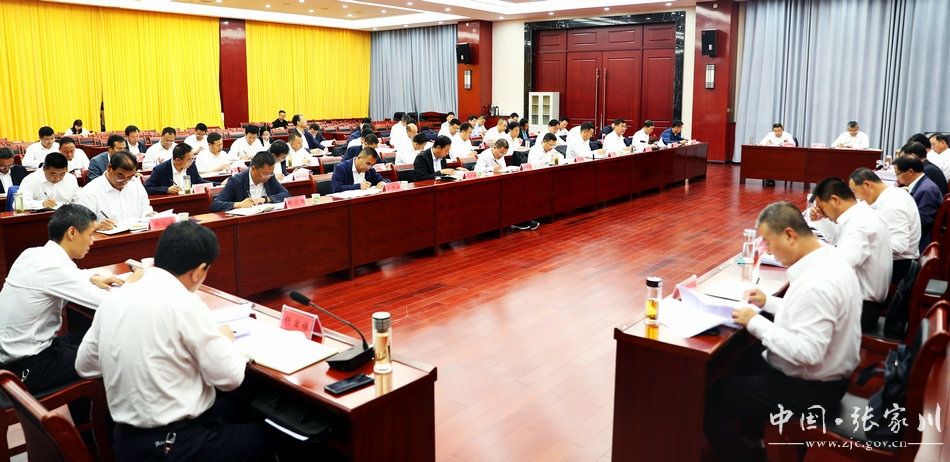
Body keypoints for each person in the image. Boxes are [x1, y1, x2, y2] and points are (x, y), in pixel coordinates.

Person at [75, 221, 273, 462]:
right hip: (173, 446)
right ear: (199, 271)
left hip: (126, 441)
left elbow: (85, 366)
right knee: (266, 437)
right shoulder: (184, 303)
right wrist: (226, 341)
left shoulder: (115, 298)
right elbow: (230, 378)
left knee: (233, 408)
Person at [704, 201, 860, 462]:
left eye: (768, 242)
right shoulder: (830, 259)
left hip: (810, 389)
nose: (767, 250)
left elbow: (807, 352)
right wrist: (767, 302)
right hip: (825, 376)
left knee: (713, 399)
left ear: (789, 235)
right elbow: (805, 312)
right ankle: (754, 439)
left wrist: (755, 321)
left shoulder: (818, 283)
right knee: (742, 359)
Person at [0, 205, 136, 395]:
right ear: (72, 232)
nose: (92, 241)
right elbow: (114, 303)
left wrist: (92, 277)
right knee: (117, 351)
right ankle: (104, 413)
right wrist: (135, 281)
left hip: (12, 356)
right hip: (26, 367)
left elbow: (68, 275)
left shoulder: (32, 254)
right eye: (90, 234)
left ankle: (84, 412)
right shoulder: (54, 268)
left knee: (94, 340)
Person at [808, 177, 892, 331]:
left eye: (821, 207)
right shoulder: (861, 214)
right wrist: (820, 220)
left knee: (799, 310)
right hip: (864, 302)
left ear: (835, 200)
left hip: (862, 310)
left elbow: (839, 267)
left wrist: (809, 245)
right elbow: (837, 239)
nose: (822, 213)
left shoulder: (859, 225)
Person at [849, 168, 921, 284]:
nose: (858, 198)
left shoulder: (892, 204)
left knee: (843, 273)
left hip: (898, 266)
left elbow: (900, 245)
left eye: (855, 191)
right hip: (892, 261)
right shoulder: (890, 194)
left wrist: (864, 241)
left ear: (867, 185)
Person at [78, 151, 153, 229]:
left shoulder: (135, 183)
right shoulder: (91, 190)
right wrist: (96, 225)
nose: (124, 181)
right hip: (106, 235)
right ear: (109, 167)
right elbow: (81, 223)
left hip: (137, 232)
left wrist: (149, 215)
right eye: (120, 176)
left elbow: (145, 207)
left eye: (129, 177)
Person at [893, 154, 941, 251]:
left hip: (920, 242)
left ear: (910, 172)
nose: (897, 178)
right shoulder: (922, 184)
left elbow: (923, 221)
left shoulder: (926, 190)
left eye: (897, 173)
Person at [212, 151, 289, 212]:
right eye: (265, 173)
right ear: (253, 169)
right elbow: (215, 204)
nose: (268, 176)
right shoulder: (236, 181)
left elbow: (286, 194)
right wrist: (238, 204)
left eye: (271, 173)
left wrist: (266, 199)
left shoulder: (270, 178)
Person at [144, 143, 209, 195]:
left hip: (190, 198)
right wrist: (167, 189)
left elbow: (199, 181)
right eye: (189, 159)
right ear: (178, 160)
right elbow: (147, 188)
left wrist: (214, 184)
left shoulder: (191, 166)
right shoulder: (160, 169)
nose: (191, 161)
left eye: (192, 158)